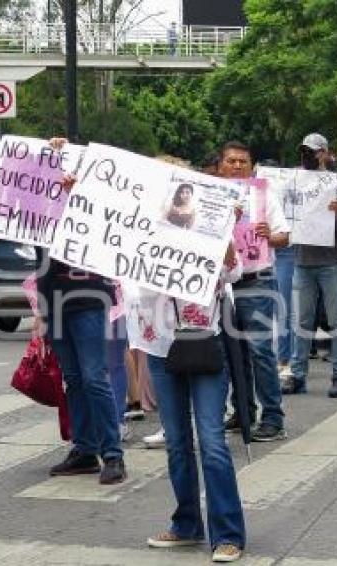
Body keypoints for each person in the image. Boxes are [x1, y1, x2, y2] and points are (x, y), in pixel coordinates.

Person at [136, 206, 246, 562]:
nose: (175, 205)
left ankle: (228, 534)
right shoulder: (139, 228)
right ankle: (187, 524)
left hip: (203, 344)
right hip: (159, 347)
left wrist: (226, 227)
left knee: (212, 441)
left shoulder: (208, 229)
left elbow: (233, 271)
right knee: (177, 443)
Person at [37, 137, 126, 485]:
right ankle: (85, 449)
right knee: (73, 378)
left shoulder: (98, 199)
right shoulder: (42, 202)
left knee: (94, 376)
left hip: (88, 296)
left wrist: (79, 191)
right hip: (54, 298)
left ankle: (113, 454)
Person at [217, 141, 289, 442]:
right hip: (222, 284)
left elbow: (284, 236)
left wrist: (268, 237)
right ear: (220, 165)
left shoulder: (264, 195)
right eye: (231, 161)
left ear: (251, 165)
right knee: (232, 351)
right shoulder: (212, 196)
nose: (236, 166)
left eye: (242, 162)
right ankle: (243, 411)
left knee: (259, 350)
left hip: (256, 280)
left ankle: (273, 416)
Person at [283, 133, 337, 398]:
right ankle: (297, 375)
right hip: (303, 261)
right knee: (300, 320)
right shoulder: (294, 181)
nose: (308, 156)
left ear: (325, 152)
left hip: (332, 262)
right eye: (304, 151)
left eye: (313, 151)